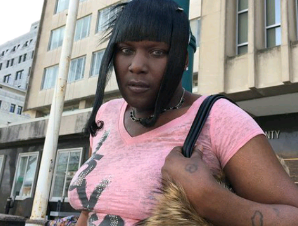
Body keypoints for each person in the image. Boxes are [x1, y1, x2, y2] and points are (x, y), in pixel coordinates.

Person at [68, 0, 298, 225]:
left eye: (157, 52)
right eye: (126, 50)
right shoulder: (106, 115)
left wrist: (211, 199)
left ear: (185, 59)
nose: (136, 65)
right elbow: (89, 212)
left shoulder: (219, 119)